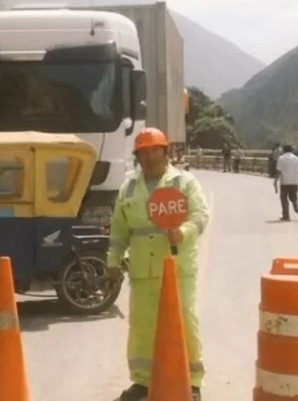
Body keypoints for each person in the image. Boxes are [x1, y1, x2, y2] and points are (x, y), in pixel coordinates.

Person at [106, 127, 209, 401]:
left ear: (166, 152)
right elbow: (118, 231)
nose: (149, 157)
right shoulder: (128, 187)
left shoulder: (183, 182)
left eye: (154, 151)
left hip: (177, 268)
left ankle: (193, 381)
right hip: (142, 270)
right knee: (141, 327)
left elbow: (200, 216)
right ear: (137, 157)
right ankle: (143, 382)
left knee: (184, 322)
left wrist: (183, 232)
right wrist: (113, 262)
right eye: (144, 153)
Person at [274, 144, 298, 221]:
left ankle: (286, 216)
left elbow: (278, 171)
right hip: (294, 181)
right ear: (292, 150)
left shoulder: (281, 158)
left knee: (284, 198)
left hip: (284, 182)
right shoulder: (296, 158)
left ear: (283, 150)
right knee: (294, 197)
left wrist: (275, 181)